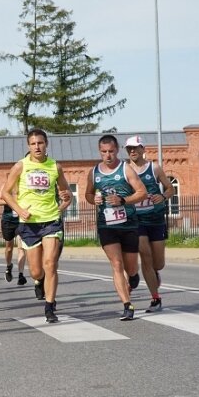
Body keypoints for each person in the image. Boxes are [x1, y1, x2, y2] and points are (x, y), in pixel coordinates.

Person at [1, 129, 72, 323]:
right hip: (29, 224)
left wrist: (64, 203)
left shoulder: (55, 167)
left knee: (50, 264)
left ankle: (50, 306)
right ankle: (39, 281)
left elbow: (67, 194)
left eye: (40, 143)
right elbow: (6, 193)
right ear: (28, 146)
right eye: (33, 144)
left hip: (50, 221)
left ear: (46, 144)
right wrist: (19, 210)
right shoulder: (20, 166)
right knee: (36, 271)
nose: (37, 147)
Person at [85, 134, 148, 320]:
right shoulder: (94, 172)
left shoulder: (126, 169)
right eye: (104, 152)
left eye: (111, 151)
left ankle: (134, 275)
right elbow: (88, 194)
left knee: (130, 267)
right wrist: (93, 199)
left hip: (128, 224)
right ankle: (127, 305)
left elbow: (142, 193)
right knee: (116, 264)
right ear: (100, 152)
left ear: (117, 150)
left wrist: (123, 200)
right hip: (106, 225)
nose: (108, 155)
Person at [125, 135, 175, 313]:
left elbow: (170, 188)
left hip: (156, 220)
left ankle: (154, 273)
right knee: (145, 254)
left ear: (143, 149)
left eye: (136, 148)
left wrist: (162, 196)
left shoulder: (154, 168)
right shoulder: (125, 170)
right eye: (129, 148)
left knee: (158, 263)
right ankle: (155, 298)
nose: (132, 151)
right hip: (137, 221)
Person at [0, 187, 28, 286]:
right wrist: (11, 202)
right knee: (9, 248)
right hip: (8, 220)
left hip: (21, 219)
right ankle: (8, 266)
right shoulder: (7, 185)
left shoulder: (24, 183)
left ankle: (21, 274)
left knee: (21, 247)